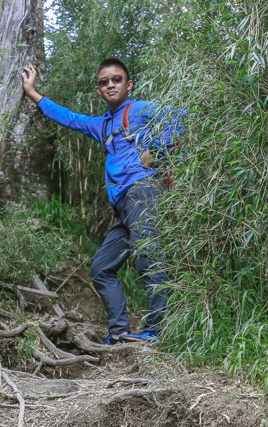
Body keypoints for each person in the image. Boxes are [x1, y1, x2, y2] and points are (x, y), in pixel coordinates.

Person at [22, 58, 184, 344]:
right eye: (103, 82)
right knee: (101, 268)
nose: (110, 85)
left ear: (128, 84)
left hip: (144, 191)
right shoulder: (103, 124)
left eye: (117, 79)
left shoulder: (139, 109)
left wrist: (156, 152)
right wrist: (33, 93)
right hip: (123, 205)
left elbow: (182, 117)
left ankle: (158, 331)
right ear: (98, 90)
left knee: (148, 258)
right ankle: (120, 332)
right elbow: (70, 118)